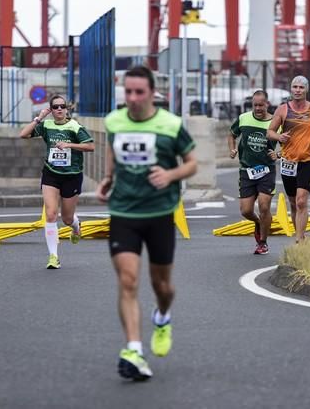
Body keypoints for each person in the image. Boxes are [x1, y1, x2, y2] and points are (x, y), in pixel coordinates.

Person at [95, 65, 197, 381]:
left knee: (161, 286)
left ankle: (162, 316)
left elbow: (192, 163)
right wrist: (108, 178)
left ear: (152, 93)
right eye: (128, 92)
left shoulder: (170, 125)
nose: (133, 98)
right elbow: (112, 148)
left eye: (139, 92)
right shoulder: (115, 121)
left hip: (159, 214)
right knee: (128, 280)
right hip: (124, 212)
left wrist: (170, 175)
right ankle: (134, 350)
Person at [19, 95, 95, 269]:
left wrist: (70, 145)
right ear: (51, 110)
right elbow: (23, 134)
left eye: (62, 106)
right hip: (51, 174)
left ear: (67, 109)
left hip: (72, 175)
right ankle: (53, 256)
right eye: (55, 107)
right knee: (51, 214)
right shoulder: (46, 125)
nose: (59, 109)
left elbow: (90, 146)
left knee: (67, 219)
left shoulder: (74, 126)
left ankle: (76, 226)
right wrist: (39, 118)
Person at [266, 75, 310, 244]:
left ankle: (299, 239)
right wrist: (279, 137)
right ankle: (300, 234)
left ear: (306, 90)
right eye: (295, 87)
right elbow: (270, 132)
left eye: (301, 87)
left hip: (309, 161)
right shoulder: (282, 110)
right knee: (293, 202)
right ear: (291, 89)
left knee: (302, 201)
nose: (298, 90)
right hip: (288, 162)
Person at [228, 90, 278, 255]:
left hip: (266, 170)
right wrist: (232, 148)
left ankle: (262, 242)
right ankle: (257, 222)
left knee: (264, 206)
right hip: (247, 170)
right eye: (255, 105)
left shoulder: (275, 122)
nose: (257, 108)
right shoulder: (244, 118)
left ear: (267, 104)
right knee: (246, 211)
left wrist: (278, 154)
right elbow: (231, 134)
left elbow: (288, 142)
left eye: (261, 105)